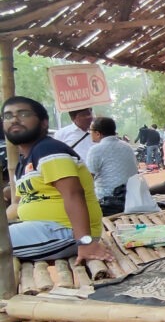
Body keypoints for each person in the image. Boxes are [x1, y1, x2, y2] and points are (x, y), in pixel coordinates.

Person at [2, 96, 113, 264]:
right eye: (8, 116)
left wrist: (85, 241)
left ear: (44, 122)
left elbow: (73, 194)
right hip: (43, 229)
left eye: (23, 114)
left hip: (66, 231)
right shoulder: (24, 161)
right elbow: (17, 204)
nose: (15, 119)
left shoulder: (48, 149)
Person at [86, 116, 138, 215]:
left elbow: (88, 179)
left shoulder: (96, 150)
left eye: (90, 130)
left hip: (107, 201)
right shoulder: (127, 146)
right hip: (131, 197)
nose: (89, 133)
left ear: (97, 133)